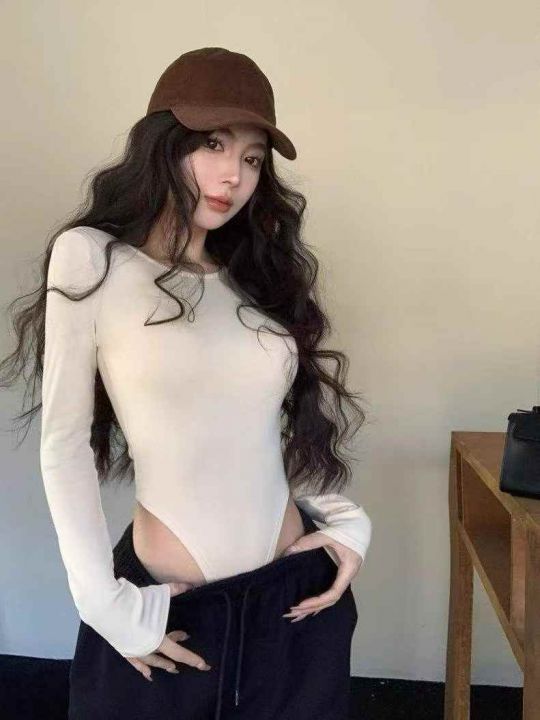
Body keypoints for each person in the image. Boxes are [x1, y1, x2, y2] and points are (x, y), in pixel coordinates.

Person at [3, 47, 373, 719]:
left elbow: (260, 428)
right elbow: (64, 444)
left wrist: (347, 522)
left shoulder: (254, 281)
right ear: (163, 143)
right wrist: (103, 604)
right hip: (175, 610)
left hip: (293, 602)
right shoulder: (92, 257)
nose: (234, 174)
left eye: (253, 158)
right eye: (212, 144)